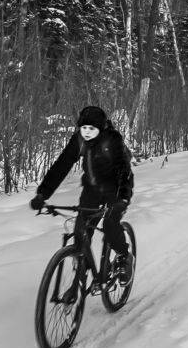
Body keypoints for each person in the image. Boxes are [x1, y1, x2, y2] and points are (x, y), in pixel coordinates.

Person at [30, 105, 134, 281]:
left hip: (116, 188)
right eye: (83, 127)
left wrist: (123, 197)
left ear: (100, 128)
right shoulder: (79, 140)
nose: (86, 132)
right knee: (81, 230)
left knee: (110, 225)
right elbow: (61, 165)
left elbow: (124, 169)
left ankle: (124, 256)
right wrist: (43, 194)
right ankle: (82, 269)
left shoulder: (112, 139)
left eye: (91, 128)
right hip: (92, 189)